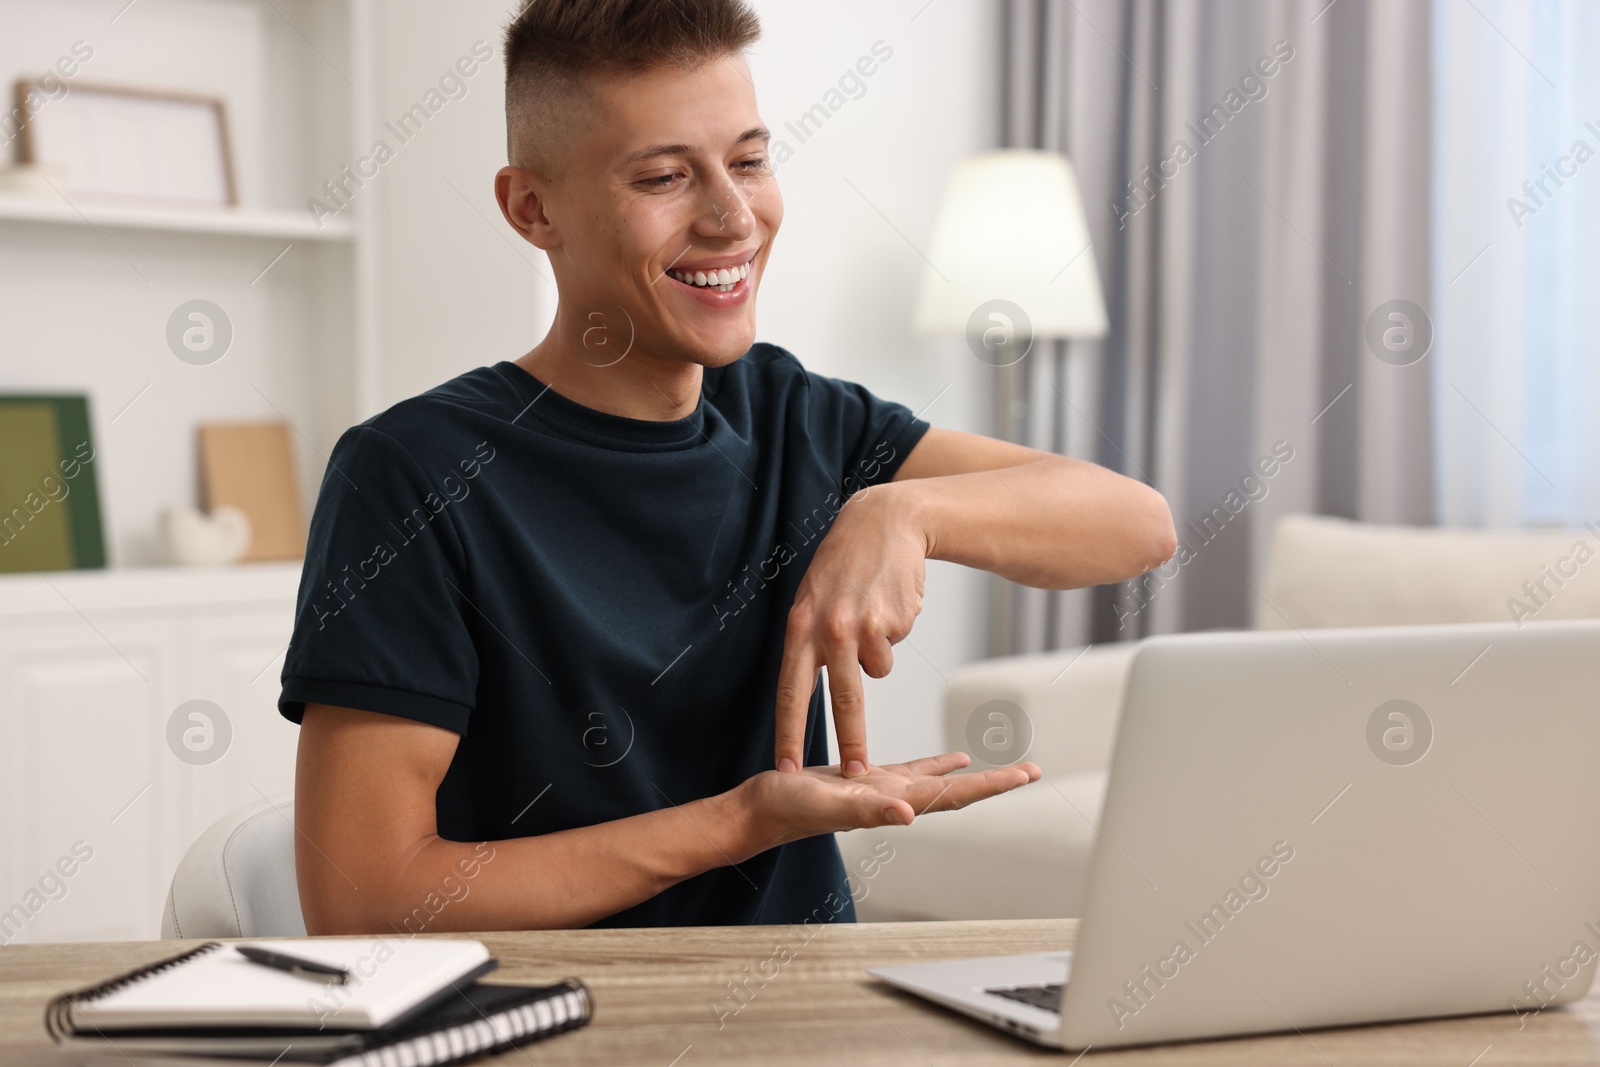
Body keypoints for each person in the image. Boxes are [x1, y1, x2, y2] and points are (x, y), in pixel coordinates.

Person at [281, 0, 1177, 934]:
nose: (733, 216)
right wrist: (739, 822)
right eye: (666, 176)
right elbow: (363, 900)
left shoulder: (793, 412)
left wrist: (902, 513)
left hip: (817, 1017)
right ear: (532, 209)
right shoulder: (410, 474)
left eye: (749, 161)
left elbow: (1135, 522)